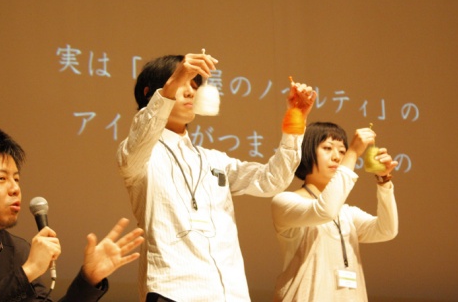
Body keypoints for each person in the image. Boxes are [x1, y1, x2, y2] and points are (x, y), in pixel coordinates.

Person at [116, 52, 316, 302]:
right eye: (182, 82)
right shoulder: (138, 153)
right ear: (150, 93)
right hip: (173, 292)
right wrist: (175, 81)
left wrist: (296, 118)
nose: (191, 92)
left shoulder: (214, 160)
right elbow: (141, 136)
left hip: (230, 293)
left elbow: (271, 181)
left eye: (194, 85)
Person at [0, 128, 145, 302]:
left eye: (16, 179)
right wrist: (28, 270)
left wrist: (88, 278)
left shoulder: (18, 250)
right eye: (1, 178)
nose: (15, 189)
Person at [271, 122, 398, 301]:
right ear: (307, 152)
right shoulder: (285, 201)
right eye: (327, 148)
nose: (337, 157)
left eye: (342, 151)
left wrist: (383, 181)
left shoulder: (346, 213)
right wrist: (353, 153)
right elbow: (324, 211)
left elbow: (386, 230)